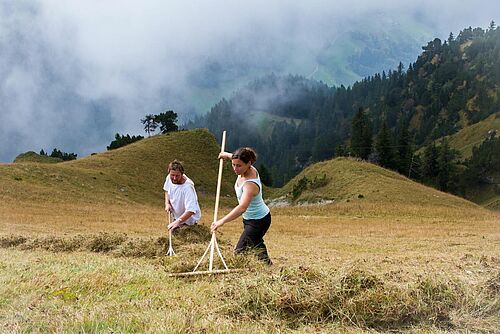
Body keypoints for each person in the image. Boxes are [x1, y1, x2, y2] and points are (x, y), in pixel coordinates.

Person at [211, 147, 272, 264]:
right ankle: (267, 265)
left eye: (238, 166)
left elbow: (242, 208)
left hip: (259, 220)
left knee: (240, 251)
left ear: (249, 163)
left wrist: (221, 221)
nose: (235, 168)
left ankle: (251, 270)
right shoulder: (245, 166)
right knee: (256, 243)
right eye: (233, 165)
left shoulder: (250, 184)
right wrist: (226, 155)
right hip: (249, 219)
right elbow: (236, 158)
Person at [164, 160, 201, 231]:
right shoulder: (169, 178)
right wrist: (167, 203)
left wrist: (178, 221)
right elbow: (166, 190)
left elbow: (191, 210)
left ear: (182, 174)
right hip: (177, 218)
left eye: (177, 176)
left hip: (189, 222)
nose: (174, 178)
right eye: (172, 175)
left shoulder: (188, 187)